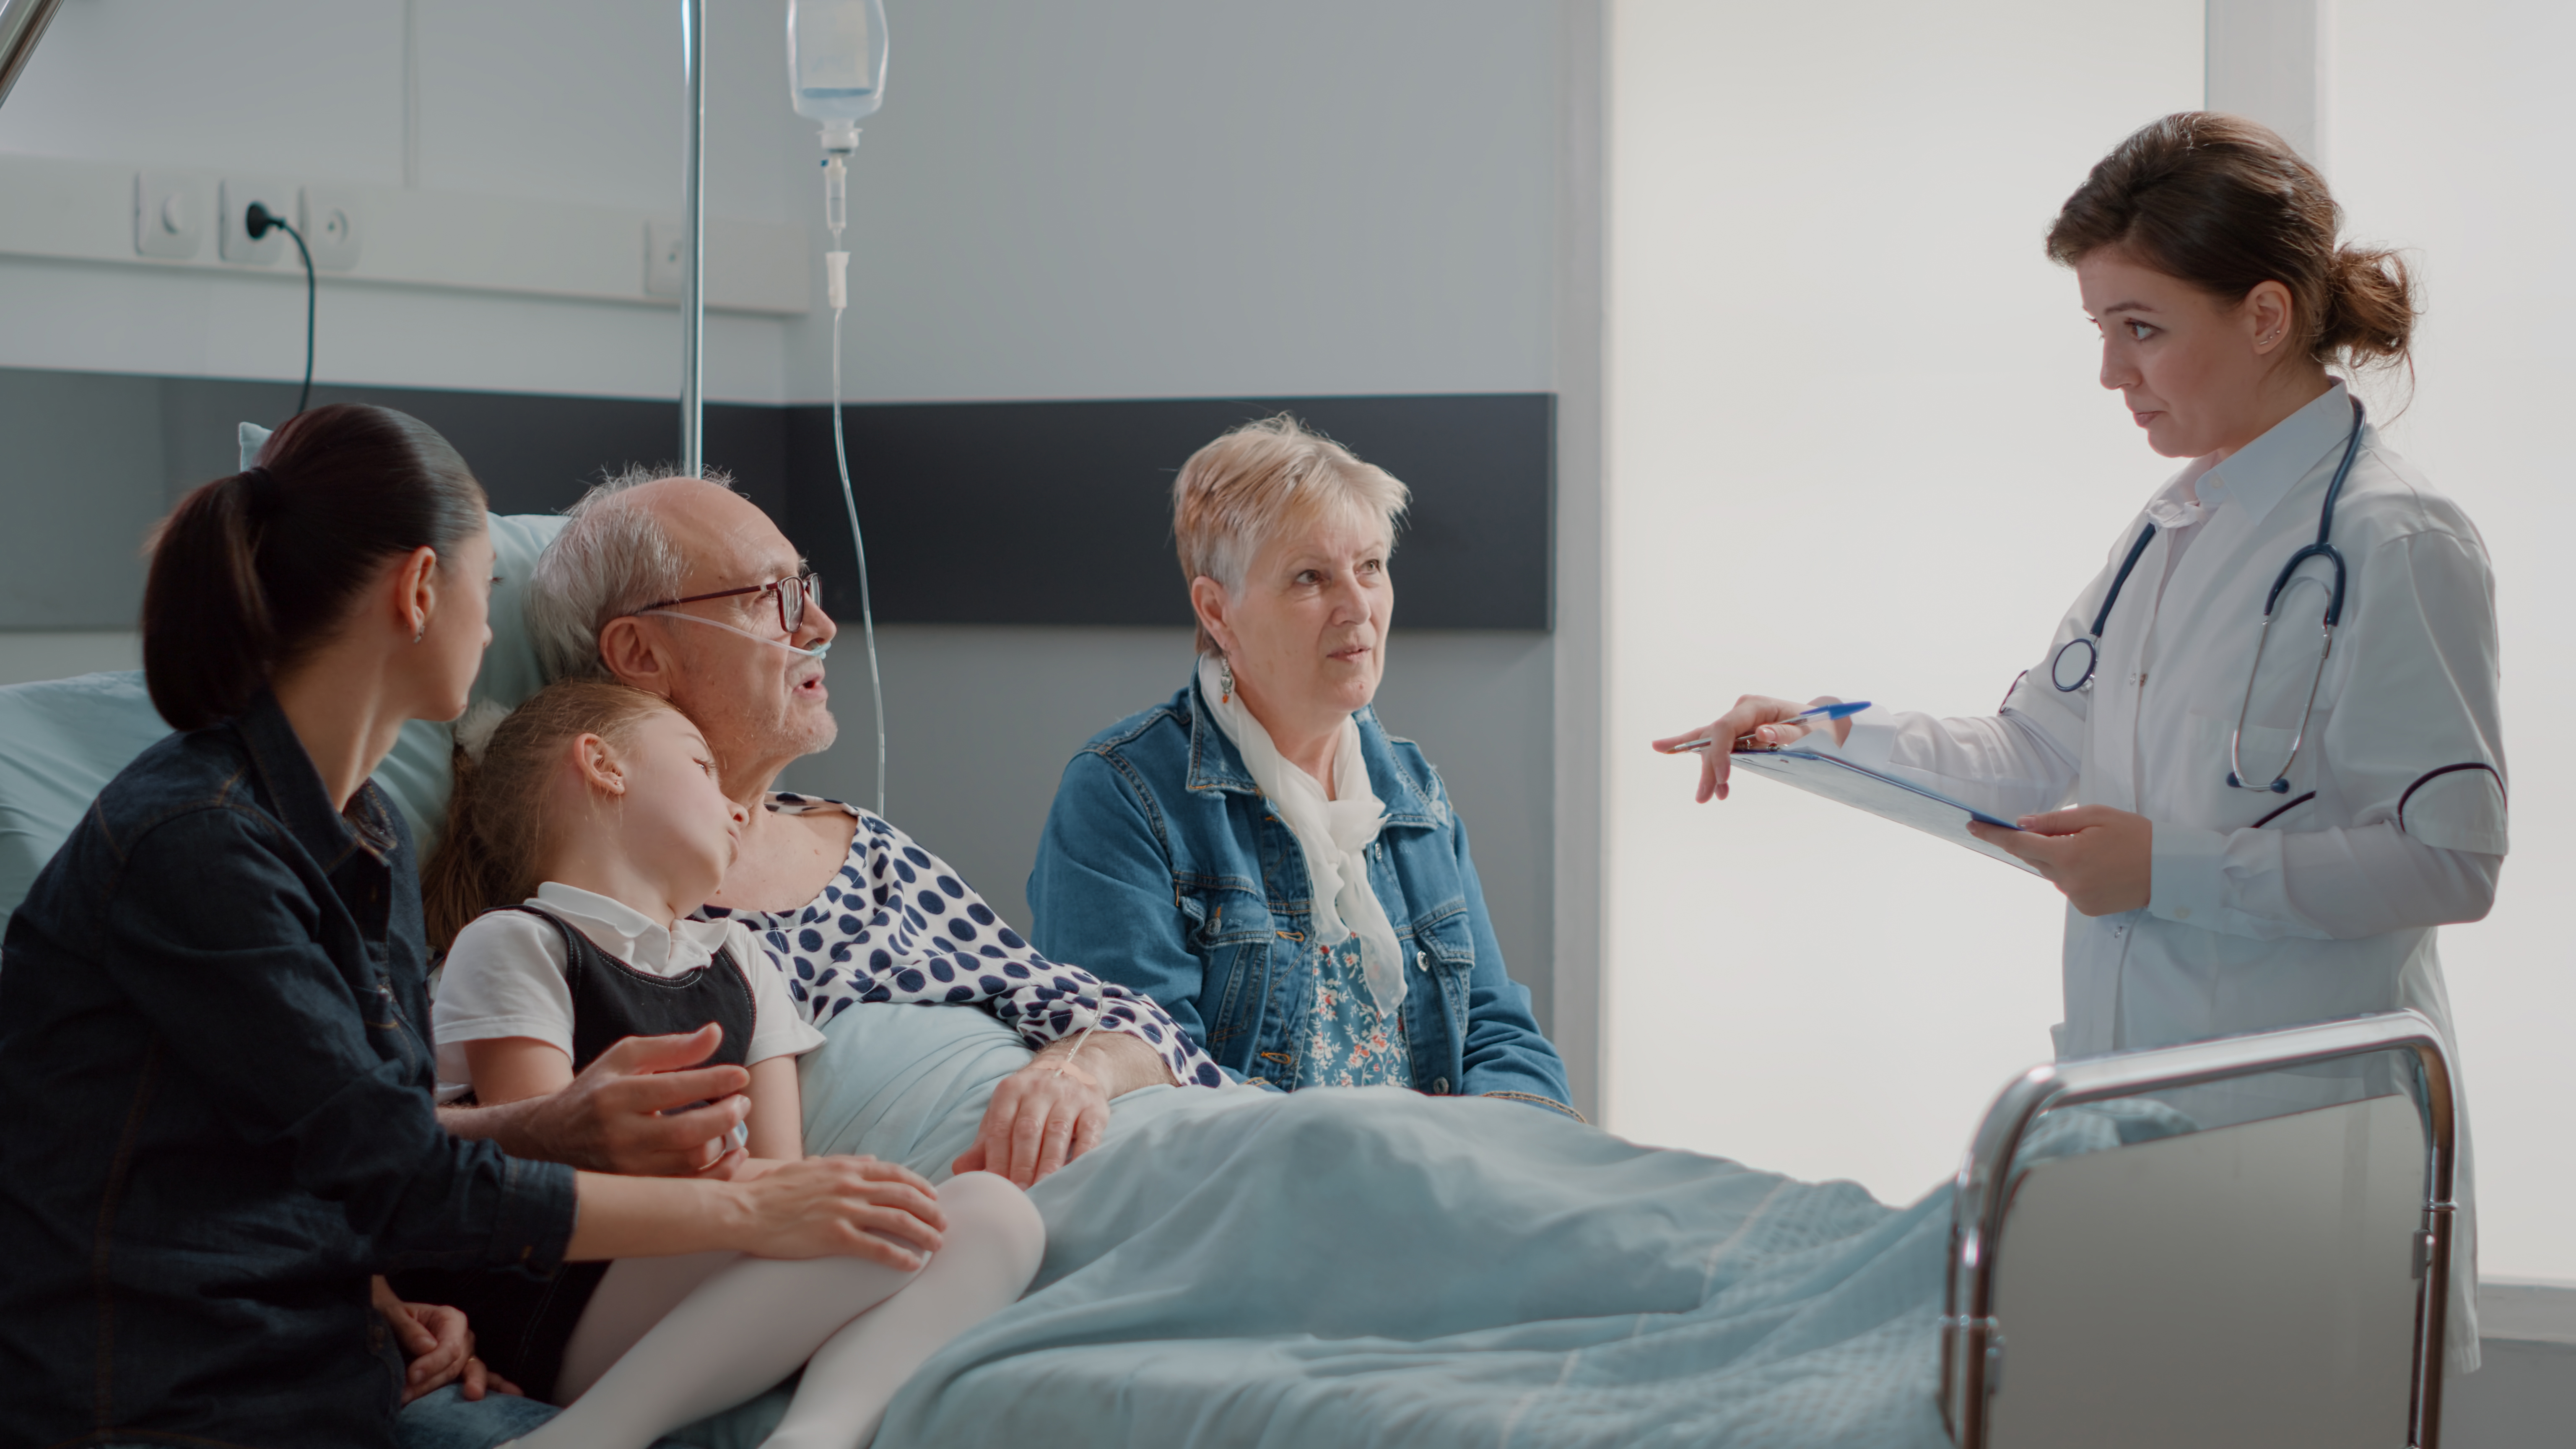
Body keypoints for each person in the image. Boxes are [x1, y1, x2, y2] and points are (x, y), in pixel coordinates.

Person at [1654, 113, 2503, 1366]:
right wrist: (1819, 733)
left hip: (2309, 1155)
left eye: (2142, 329)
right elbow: (2032, 759)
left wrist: (2170, 871)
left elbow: (2451, 860)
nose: (2113, 374)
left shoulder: (2395, 539)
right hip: (2138, 1133)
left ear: (2266, 317)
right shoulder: (2173, 530)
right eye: (2102, 331)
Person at [0, 405, 948, 1449]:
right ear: (418, 592)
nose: (493, 631)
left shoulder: (364, 839)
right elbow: (398, 1176)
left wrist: (375, 1297)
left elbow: (321, 1137)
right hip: (166, 1398)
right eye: (485, 587)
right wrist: (753, 1213)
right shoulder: (195, 844)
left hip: (335, 1360)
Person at [521, 470, 1229, 1189]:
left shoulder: (872, 853)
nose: (820, 627)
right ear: (642, 654)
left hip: (1140, 1141)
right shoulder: (598, 925)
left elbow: (1120, 1019)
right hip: (992, 1213)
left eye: (807, 587)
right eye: (772, 598)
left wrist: (1074, 1073)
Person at [405, 678, 1042, 1449]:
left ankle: (815, 1437)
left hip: (709, 1271)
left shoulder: (741, 959)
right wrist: (773, 1199)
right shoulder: (517, 942)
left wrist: (826, 1196)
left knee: (996, 1215)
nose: (742, 809)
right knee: (875, 1220)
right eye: (702, 766)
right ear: (604, 766)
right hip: (560, 1292)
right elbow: (537, 1200)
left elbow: (781, 1170)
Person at [1026, 415, 1574, 1114]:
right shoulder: (1124, 794)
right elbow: (1156, 1075)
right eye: (1311, 577)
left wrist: (1510, 1157)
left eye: (1371, 567)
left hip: (1438, 1187)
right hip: (1262, 1199)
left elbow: (1499, 1032)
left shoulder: (1411, 790)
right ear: (1217, 611)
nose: (1358, 608)